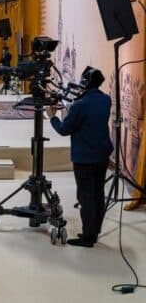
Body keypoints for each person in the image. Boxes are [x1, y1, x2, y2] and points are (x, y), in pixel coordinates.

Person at [47, 67, 113, 248]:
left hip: (85, 158)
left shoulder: (80, 106)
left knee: (86, 197)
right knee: (98, 194)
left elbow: (63, 129)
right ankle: (95, 230)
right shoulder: (106, 100)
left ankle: (88, 237)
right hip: (102, 155)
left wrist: (52, 117)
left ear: (85, 83)